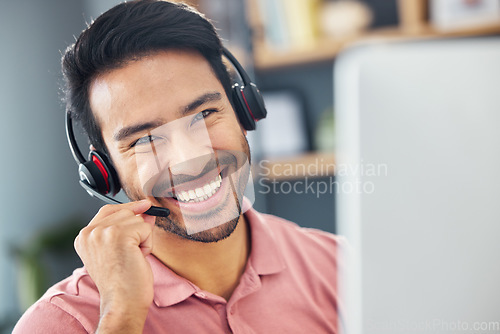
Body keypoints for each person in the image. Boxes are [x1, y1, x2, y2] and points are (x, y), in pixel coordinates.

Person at [13, 1, 344, 333]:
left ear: (243, 111)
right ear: (103, 170)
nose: (189, 160)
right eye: (144, 140)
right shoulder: (55, 323)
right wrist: (122, 313)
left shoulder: (342, 268)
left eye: (203, 115)